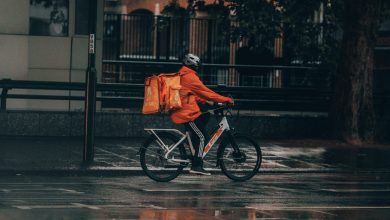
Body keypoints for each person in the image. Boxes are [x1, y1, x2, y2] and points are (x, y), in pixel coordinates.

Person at [170, 53, 234, 175]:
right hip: (186, 113)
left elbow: (193, 94)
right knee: (202, 136)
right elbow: (206, 92)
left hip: (187, 110)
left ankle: (194, 151)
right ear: (193, 64)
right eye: (197, 65)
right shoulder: (189, 77)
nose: (198, 67)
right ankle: (197, 165)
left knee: (206, 115)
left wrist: (208, 102)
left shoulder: (185, 74)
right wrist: (225, 99)